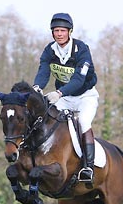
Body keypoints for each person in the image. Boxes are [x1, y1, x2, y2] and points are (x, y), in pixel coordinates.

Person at [33, 13, 99, 186]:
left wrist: (60, 93)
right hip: (64, 96)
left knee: (83, 121)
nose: (59, 34)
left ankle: (88, 167)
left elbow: (78, 80)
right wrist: (37, 87)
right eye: (56, 31)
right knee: (47, 117)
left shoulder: (81, 49)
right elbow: (43, 72)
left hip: (85, 96)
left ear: (70, 32)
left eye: (62, 30)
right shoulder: (50, 50)